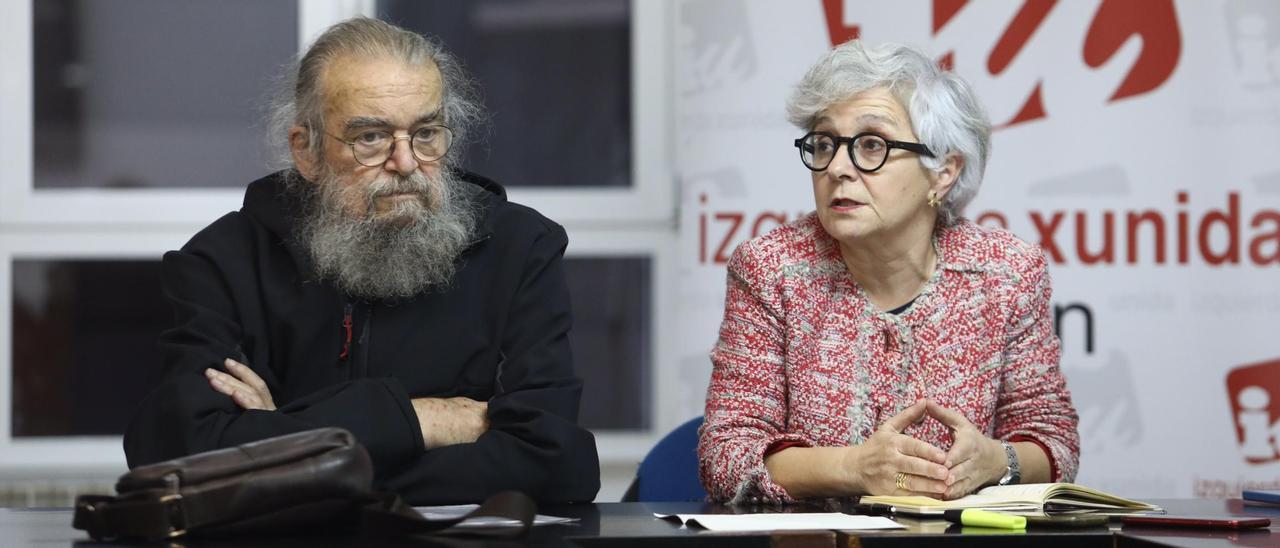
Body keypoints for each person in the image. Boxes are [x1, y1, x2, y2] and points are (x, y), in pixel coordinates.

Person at [123, 17, 600, 504]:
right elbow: (172, 460)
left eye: (427, 132)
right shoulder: (222, 262)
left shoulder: (519, 247)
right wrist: (416, 421)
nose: (407, 163)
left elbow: (559, 463)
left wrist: (284, 445)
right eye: (371, 138)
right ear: (305, 151)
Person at [698, 40, 1079, 504]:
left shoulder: (1007, 274)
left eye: (871, 144)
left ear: (943, 172)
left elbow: (1054, 440)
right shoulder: (772, 270)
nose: (837, 167)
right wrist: (853, 467)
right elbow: (726, 454)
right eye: (823, 144)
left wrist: (997, 461)